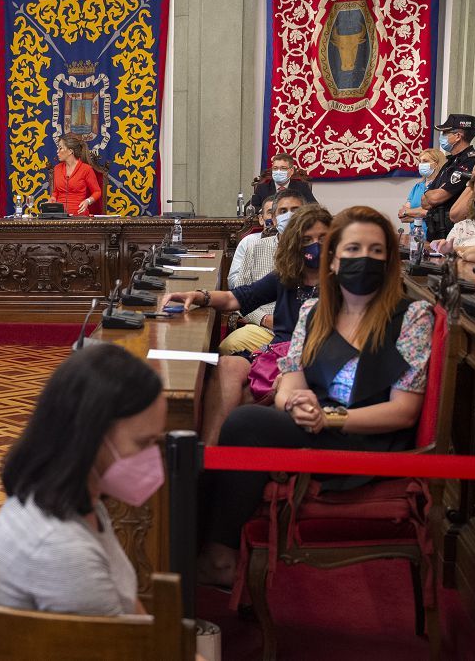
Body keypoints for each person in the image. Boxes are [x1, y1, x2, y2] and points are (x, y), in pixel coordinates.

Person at [198, 206, 434, 588]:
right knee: (233, 434)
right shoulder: (313, 311)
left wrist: (330, 418)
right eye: (353, 249)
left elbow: (404, 412)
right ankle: (205, 553)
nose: (365, 259)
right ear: (335, 259)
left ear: (390, 259)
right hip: (315, 425)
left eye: (376, 251)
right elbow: (290, 380)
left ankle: (218, 558)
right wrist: (294, 402)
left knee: (244, 423)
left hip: (368, 438)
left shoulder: (412, 316)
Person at [0, 344, 165, 616]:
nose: (153, 458)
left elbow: (128, 610)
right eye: (143, 443)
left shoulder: (76, 498)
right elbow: (124, 645)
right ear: (91, 436)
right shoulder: (62, 550)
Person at [160, 205, 332, 445]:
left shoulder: (341, 283)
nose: (316, 245)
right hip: (276, 352)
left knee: (240, 399)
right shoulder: (287, 276)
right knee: (228, 365)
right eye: (307, 239)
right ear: (295, 244)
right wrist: (199, 296)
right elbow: (236, 298)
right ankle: (207, 456)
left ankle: (218, 458)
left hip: (313, 358)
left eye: (323, 238)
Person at [220, 192, 307, 355]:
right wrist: (265, 319)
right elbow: (241, 296)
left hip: (305, 332)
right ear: (273, 219)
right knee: (228, 346)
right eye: (283, 211)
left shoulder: (314, 251)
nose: (289, 216)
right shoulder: (255, 248)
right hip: (264, 328)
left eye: (295, 210)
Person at [421, 114, 475, 241]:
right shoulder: (450, 162)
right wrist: (432, 194)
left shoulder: (470, 161)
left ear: (458, 136)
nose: (442, 137)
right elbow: (424, 202)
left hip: (452, 233)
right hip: (435, 229)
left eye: (445, 133)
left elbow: (435, 198)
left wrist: (432, 194)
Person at [227, 194, 276, 289]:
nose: (274, 217)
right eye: (270, 212)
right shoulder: (248, 242)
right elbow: (232, 281)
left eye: (279, 213)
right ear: (261, 219)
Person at [51, 133, 103, 216]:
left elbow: (97, 192)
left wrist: (87, 201)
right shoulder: (57, 168)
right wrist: (52, 198)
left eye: (60, 148)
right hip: (59, 215)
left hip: (79, 214)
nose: (57, 151)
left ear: (70, 151)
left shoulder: (86, 169)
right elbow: (55, 192)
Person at [249, 152, 316, 211]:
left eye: (283, 168)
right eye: (275, 168)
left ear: (291, 171)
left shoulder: (302, 187)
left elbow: (314, 207)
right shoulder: (262, 188)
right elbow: (250, 208)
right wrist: (268, 210)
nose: (278, 171)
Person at [397, 147, 446, 226]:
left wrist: (409, 212)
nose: (421, 164)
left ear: (436, 164)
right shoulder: (417, 187)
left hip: (435, 236)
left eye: (425, 161)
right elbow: (402, 216)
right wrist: (422, 214)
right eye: (420, 161)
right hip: (415, 235)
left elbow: (437, 214)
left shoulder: (442, 186)